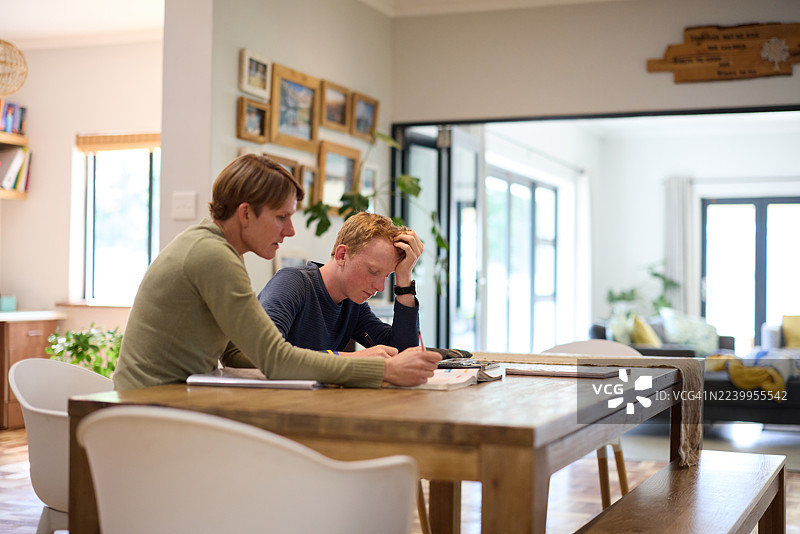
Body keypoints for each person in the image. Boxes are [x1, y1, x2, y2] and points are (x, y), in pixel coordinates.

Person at [113, 154, 439, 391]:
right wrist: (380, 369)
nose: (290, 230)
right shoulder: (213, 255)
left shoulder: (214, 249)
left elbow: (236, 352)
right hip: (148, 405)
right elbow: (274, 359)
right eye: (282, 217)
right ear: (245, 214)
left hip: (162, 398)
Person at [252, 212, 423, 360]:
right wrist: (352, 358)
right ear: (342, 255)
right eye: (373, 271)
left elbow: (403, 354)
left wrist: (404, 280)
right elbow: (265, 351)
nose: (380, 287)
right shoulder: (291, 282)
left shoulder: (353, 306)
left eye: (386, 276)